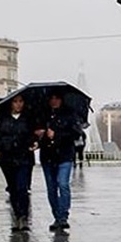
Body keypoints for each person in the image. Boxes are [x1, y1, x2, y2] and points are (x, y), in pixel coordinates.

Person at [0, 95, 39, 231]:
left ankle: (23, 216)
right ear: (10, 104)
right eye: (15, 102)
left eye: (21, 101)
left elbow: (35, 134)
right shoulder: (1, 118)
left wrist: (33, 141)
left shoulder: (29, 118)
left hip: (24, 157)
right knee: (13, 188)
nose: (18, 104)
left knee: (22, 187)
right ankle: (16, 215)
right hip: (7, 158)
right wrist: (2, 144)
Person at [38, 91, 80, 230]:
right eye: (52, 98)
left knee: (63, 184)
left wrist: (57, 134)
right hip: (48, 156)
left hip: (64, 155)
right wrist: (40, 135)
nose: (54, 101)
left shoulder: (69, 114)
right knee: (51, 188)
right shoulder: (42, 115)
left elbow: (75, 133)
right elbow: (34, 132)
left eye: (57, 98)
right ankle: (57, 216)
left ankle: (63, 215)